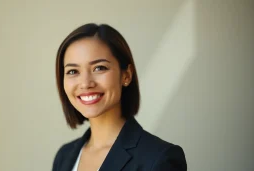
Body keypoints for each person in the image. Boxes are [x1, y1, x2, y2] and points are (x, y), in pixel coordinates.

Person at [52, 23, 187, 171]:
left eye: (99, 68)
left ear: (126, 75)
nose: (85, 83)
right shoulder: (63, 156)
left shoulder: (159, 158)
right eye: (72, 71)